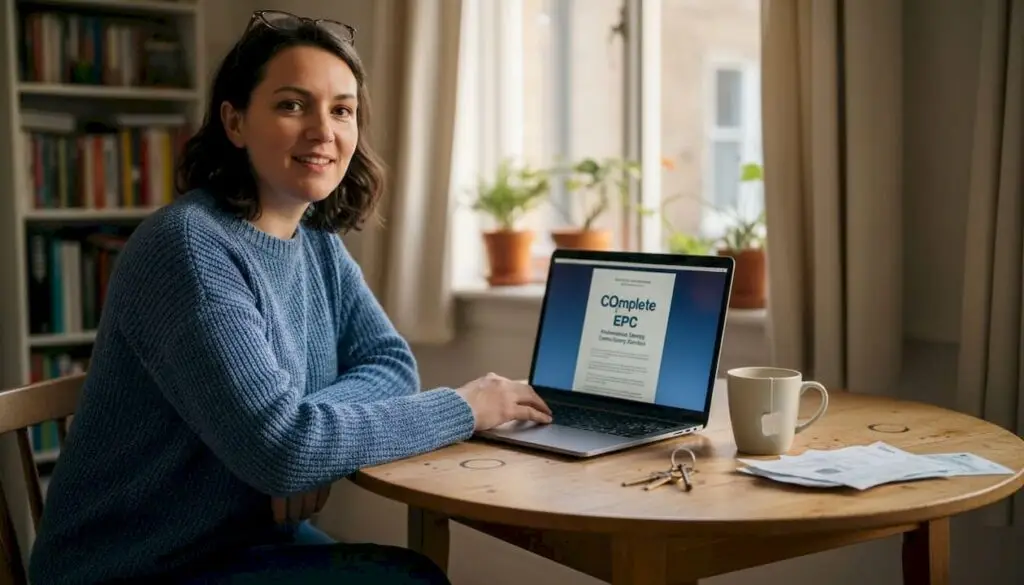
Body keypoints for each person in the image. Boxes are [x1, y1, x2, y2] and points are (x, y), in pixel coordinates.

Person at [27, 10, 553, 585]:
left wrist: (312, 441)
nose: (323, 131)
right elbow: (284, 449)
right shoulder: (188, 248)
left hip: (241, 542)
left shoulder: (317, 244)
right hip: (134, 567)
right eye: (292, 105)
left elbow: (390, 365)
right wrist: (464, 407)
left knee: (408, 572)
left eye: (342, 109)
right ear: (234, 122)